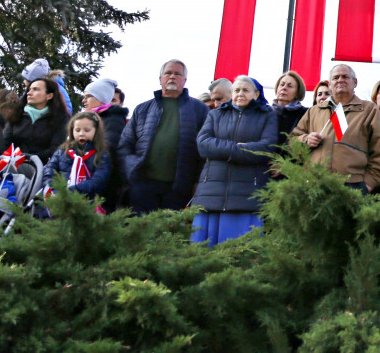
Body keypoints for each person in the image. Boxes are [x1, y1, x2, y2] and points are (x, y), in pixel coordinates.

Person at [189, 76, 278, 245]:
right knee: (203, 253)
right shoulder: (215, 114)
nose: (240, 94)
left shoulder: (267, 115)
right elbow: (203, 145)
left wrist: (222, 150)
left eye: (246, 90)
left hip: (246, 197)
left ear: (257, 94)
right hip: (211, 194)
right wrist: (237, 148)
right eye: (236, 90)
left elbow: (266, 148)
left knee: (239, 255)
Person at [117, 60, 210, 214]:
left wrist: (195, 183)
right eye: (168, 73)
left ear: (184, 80)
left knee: (171, 234)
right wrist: (132, 171)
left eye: (177, 74)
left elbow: (204, 150)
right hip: (143, 187)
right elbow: (125, 146)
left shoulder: (199, 110)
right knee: (142, 231)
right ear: (160, 79)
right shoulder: (142, 109)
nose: (172, 76)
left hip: (179, 188)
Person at [291, 64, 380, 194]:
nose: (340, 80)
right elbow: (292, 141)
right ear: (330, 85)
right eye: (335, 77)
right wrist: (306, 139)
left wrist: (369, 183)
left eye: (345, 77)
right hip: (315, 183)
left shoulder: (369, 110)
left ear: (355, 82)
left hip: (353, 185)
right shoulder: (314, 111)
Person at [80, 77, 129, 211]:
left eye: (88, 96)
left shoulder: (113, 118)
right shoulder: (89, 118)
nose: (84, 100)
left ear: (101, 98)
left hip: (101, 181)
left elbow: (109, 148)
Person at [43, 111, 112, 201]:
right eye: (77, 130)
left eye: (87, 130)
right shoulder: (62, 152)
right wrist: (55, 190)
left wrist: (71, 191)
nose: (81, 134)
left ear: (96, 131)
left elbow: (99, 181)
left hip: (87, 202)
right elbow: (48, 173)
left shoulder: (101, 154)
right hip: (58, 199)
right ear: (72, 131)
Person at [4, 77, 69, 164]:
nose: (29, 93)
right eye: (29, 89)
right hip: (12, 166)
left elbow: (56, 148)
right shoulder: (17, 114)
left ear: (49, 96)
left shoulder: (61, 118)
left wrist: (31, 159)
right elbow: (5, 142)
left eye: (35, 89)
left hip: (44, 168)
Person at [272, 70, 308, 144]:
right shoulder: (266, 111)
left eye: (290, 86)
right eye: (282, 84)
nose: (284, 88)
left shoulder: (305, 114)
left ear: (297, 93)